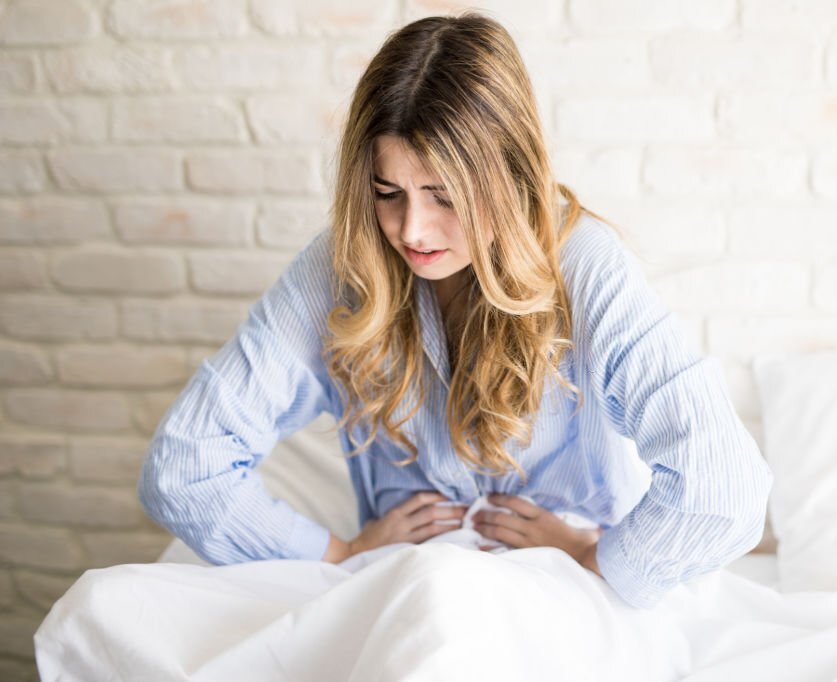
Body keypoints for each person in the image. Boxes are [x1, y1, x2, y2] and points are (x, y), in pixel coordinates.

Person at [136, 12, 773, 611]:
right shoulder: (341, 266)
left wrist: (597, 556)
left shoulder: (586, 268)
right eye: (389, 193)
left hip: (570, 585)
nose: (412, 230)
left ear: (509, 177)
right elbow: (186, 464)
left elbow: (721, 486)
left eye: (445, 197)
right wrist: (336, 554)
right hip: (411, 583)